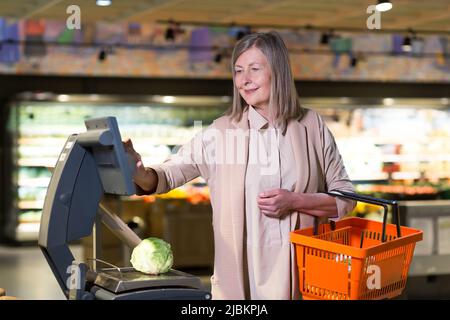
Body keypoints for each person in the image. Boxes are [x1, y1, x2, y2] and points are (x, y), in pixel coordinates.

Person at [124, 31, 356, 300]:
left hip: (304, 278)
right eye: (238, 71)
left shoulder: (311, 126)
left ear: (278, 72)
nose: (244, 80)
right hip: (241, 282)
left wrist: (295, 201)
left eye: (254, 69)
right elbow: (168, 174)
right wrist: (139, 171)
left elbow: (345, 199)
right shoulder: (221, 132)